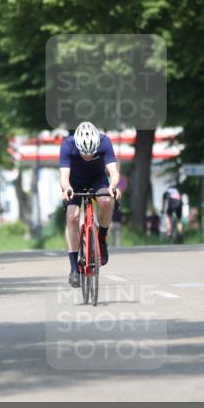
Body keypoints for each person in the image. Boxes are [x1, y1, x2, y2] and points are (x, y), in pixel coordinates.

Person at [59, 121, 121, 287]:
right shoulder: (67, 145)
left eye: (91, 153)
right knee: (72, 217)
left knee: (106, 200)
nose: (87, 157)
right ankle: (74, 268)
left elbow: (114, 172)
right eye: (83, 153)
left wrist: (113, 187)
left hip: (97, 179)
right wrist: (67, 189)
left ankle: (101, 237)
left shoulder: (105, 142)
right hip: (74, 182)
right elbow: (64, 176)